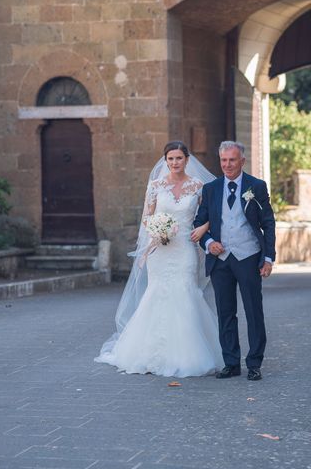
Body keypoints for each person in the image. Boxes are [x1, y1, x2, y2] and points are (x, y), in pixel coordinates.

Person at [95, 141, 223, 377]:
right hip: (160, 249)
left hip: (185, 247)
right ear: (165, 161)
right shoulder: (155, 186)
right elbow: (147, 217)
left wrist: (203, 228)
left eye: (179, 158)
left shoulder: (198, 186)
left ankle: (186, 354)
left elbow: (211, 215)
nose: (174, 163)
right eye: (170, 159)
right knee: (158, 294)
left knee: (184, 292)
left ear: (187, 160)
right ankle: (152, 353)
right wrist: (157, 230)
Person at [194, 141, 276, 381]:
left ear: (242, 160)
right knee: (225, 311)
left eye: (232, 160)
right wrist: (209, 243)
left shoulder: (256, 187)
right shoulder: (211, 189)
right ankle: (231, 362)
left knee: (253, 310)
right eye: (223, 161)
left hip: (248, 256)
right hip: (220, 259)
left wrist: (268, 257)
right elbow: (200, 223)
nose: (227, 165)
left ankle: (254, 363)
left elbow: (268, 223)